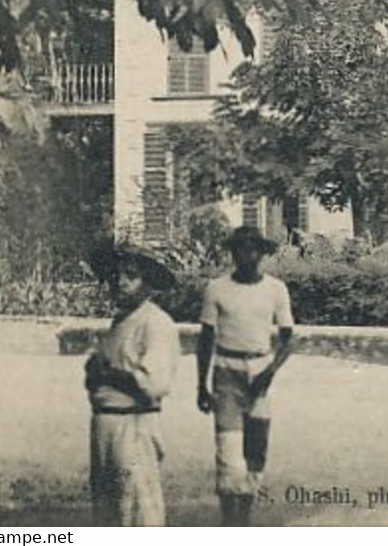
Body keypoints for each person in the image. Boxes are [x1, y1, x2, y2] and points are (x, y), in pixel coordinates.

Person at [196, 225, 296, 526]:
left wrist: (270, 372)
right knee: (228, 452)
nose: (246, 254)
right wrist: (201, 384)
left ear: (262, 253)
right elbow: (205, 338)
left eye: (253, 248)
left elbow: (288, 338)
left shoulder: (275, 289)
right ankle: (231, 523)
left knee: (256, 448)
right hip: (227, 370)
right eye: (240, 248)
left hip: (260, 371)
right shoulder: (217, 288)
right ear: (232, 252)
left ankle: (245, 521)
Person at [85, 241, 181, 526]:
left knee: (138, 509)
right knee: (110, 513)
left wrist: (107, 373)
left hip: (134, 425)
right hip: (107, 424)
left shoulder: (155, 323)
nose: (121, 282)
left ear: (148, 283)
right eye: (115, 276)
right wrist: (95, 372)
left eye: (131, 275)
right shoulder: (121, 322)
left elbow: (153, 384)